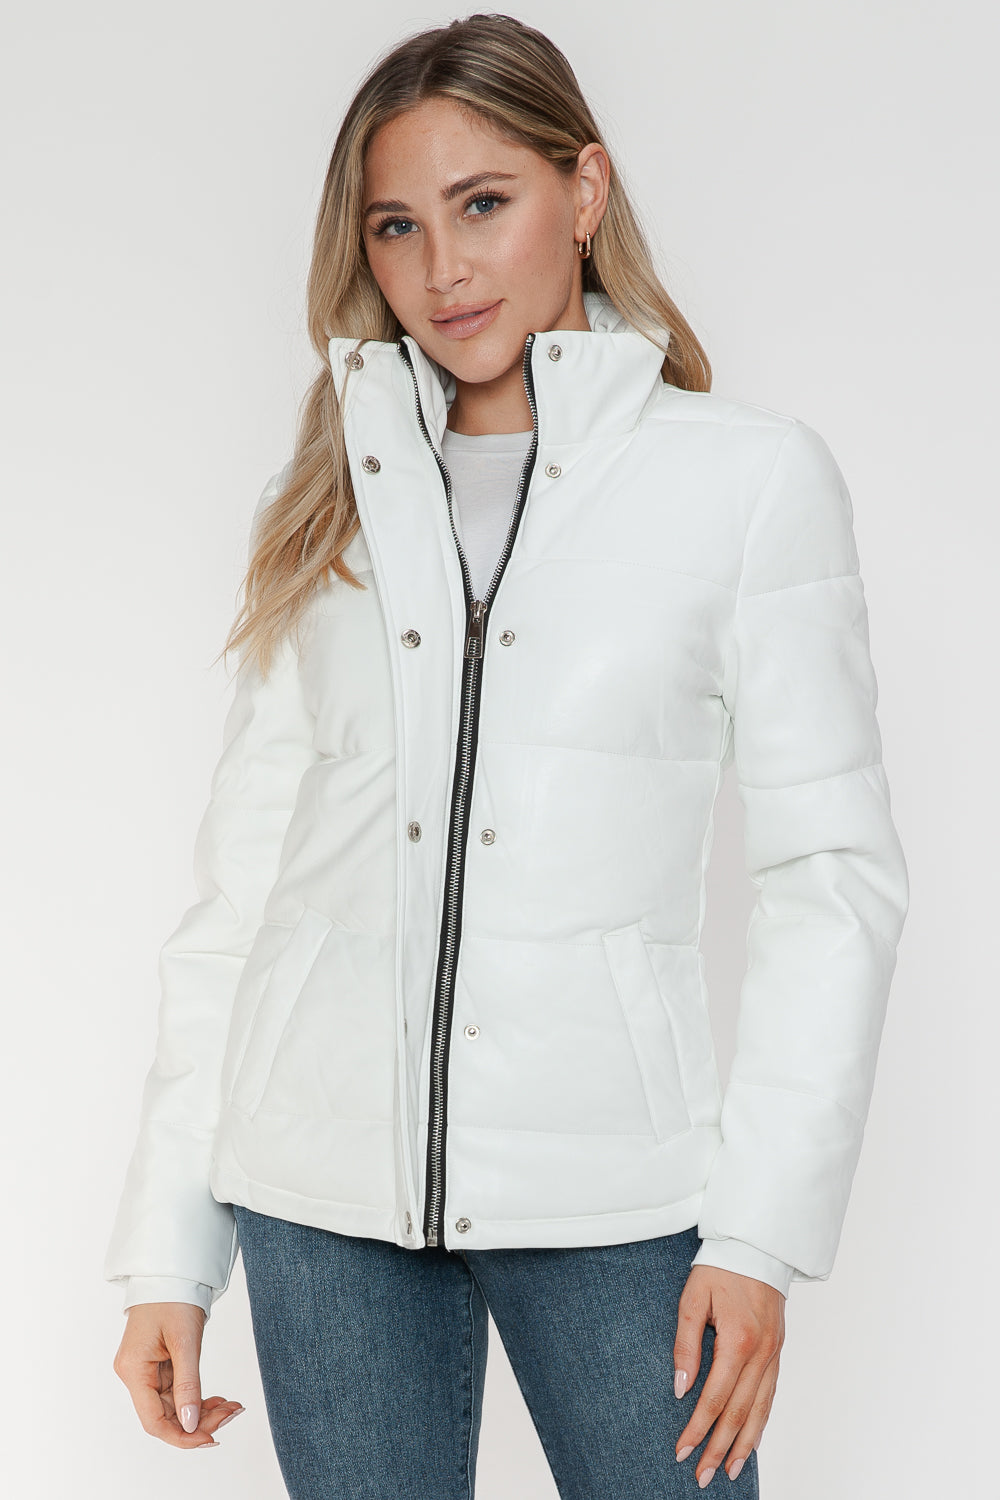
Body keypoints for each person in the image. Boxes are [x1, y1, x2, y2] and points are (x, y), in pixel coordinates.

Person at [106, 13, 909, 1498]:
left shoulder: (744, 483)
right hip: (319, 1195)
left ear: (584, 190)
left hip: (615, 1196)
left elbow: (831, 879)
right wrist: (169, 1248)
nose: (442, 270)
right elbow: (244, 893)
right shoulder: (332, 499)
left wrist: (760, 1234)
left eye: (484, 204)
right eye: (397, 226)